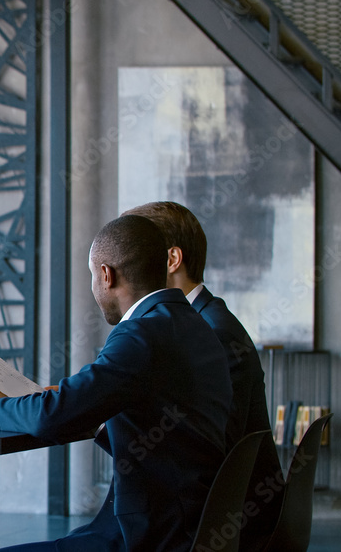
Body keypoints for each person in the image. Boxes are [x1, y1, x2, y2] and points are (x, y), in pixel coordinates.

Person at [0, 214, 232, 551]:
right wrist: (81, 405)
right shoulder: (194, 325)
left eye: (93, 275)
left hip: (148, 536)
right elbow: (157, 419)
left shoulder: (139, 333)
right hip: (187, 526)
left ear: (106, 275)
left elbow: (52, 416)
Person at [122, 201, 281, 551]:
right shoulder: (201, 321)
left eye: (135, 253)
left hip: (224, 524)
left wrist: (112, 414)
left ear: (171, 259)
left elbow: (210, 447)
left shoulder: (212, 332)